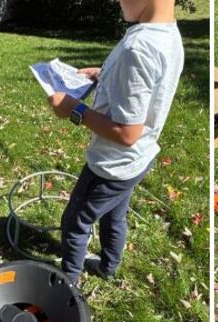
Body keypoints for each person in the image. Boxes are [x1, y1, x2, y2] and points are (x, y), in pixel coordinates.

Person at [48, 0, 184, 285]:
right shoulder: (166, 32)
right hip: (137, 161)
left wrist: (75, 110)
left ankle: (68, 285)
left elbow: (127, 133)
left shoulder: (139, 49)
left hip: (110, 166)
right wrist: (104, 73)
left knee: (75, 223)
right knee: (113, 215)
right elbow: (147, 83)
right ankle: (109, 266)